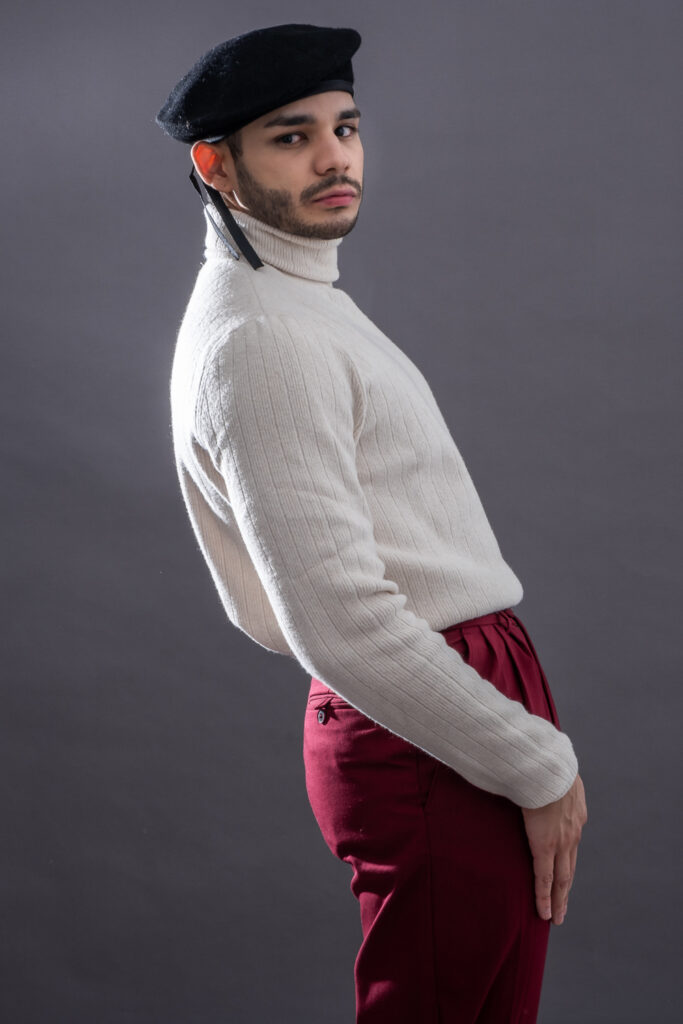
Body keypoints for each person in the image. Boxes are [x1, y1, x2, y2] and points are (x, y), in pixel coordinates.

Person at [155, 23, 587, 1024]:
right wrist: (534, 759)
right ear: (215, 166)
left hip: (445, 701)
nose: (333, 157)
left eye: (344, 128)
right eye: (291, 136)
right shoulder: (262, 336)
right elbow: (337, 620)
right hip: (422, 724)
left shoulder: (296, 300)